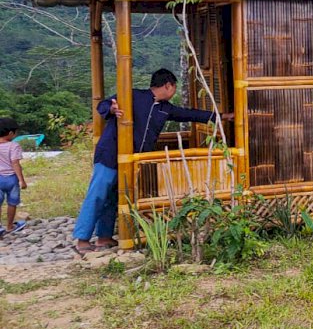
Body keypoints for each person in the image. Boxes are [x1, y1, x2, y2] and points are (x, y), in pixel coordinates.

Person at [73, 68, 231, 255]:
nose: (173, 91)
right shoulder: (133, 96)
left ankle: (104, 237)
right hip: (109, 155)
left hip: (133, 162)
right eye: (174, 87)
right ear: (168, 85)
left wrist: (219, 117)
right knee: (98, 194)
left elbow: (189, 114)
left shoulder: (165, 108)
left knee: (113, 198)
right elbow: (103, 105)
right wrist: (112, 109)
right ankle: (82, 239)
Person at [0, 118, 28, 236]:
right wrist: (21, 180)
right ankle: (10, 226)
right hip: (11, 178)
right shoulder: (14, 146)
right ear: (11, 133)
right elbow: (15, 163)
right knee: (12, 203)